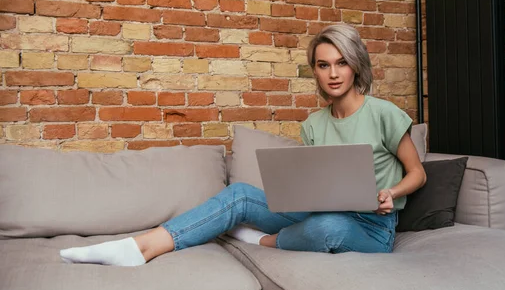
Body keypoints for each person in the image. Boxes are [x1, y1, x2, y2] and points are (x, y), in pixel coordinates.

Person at [59, 24, 426, 266]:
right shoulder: (314, 125)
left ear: (355, 66)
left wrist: (390, 192)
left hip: (371, 227)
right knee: (240, 195)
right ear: (314, 71)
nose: (332, 73)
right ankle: (142, 247)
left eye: (341, 63)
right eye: (323, 64)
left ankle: (262, 242)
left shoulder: (384, 113)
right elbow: (319, 188)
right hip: (319, 212)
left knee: (327, 227)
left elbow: (417, 173)